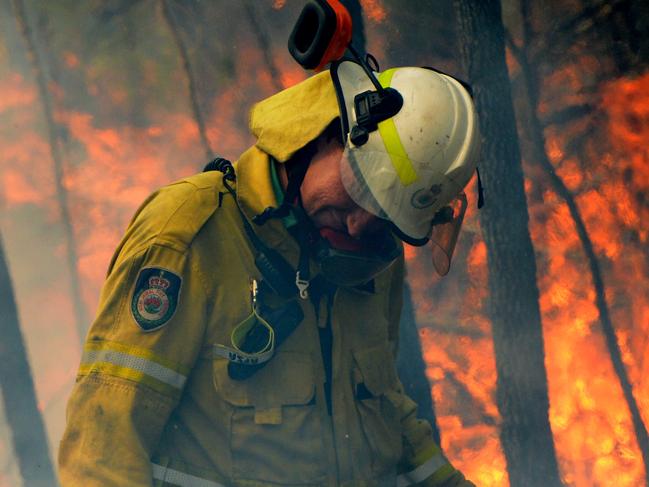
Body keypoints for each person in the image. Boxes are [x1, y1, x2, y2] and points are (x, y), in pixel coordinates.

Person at [59, 59, 480, 486]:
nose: (357, 225)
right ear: (328, 137)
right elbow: (104, 446)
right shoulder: (188, 234)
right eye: (360, 191)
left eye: (382, 218)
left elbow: (386, 407)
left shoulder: (369, 262)